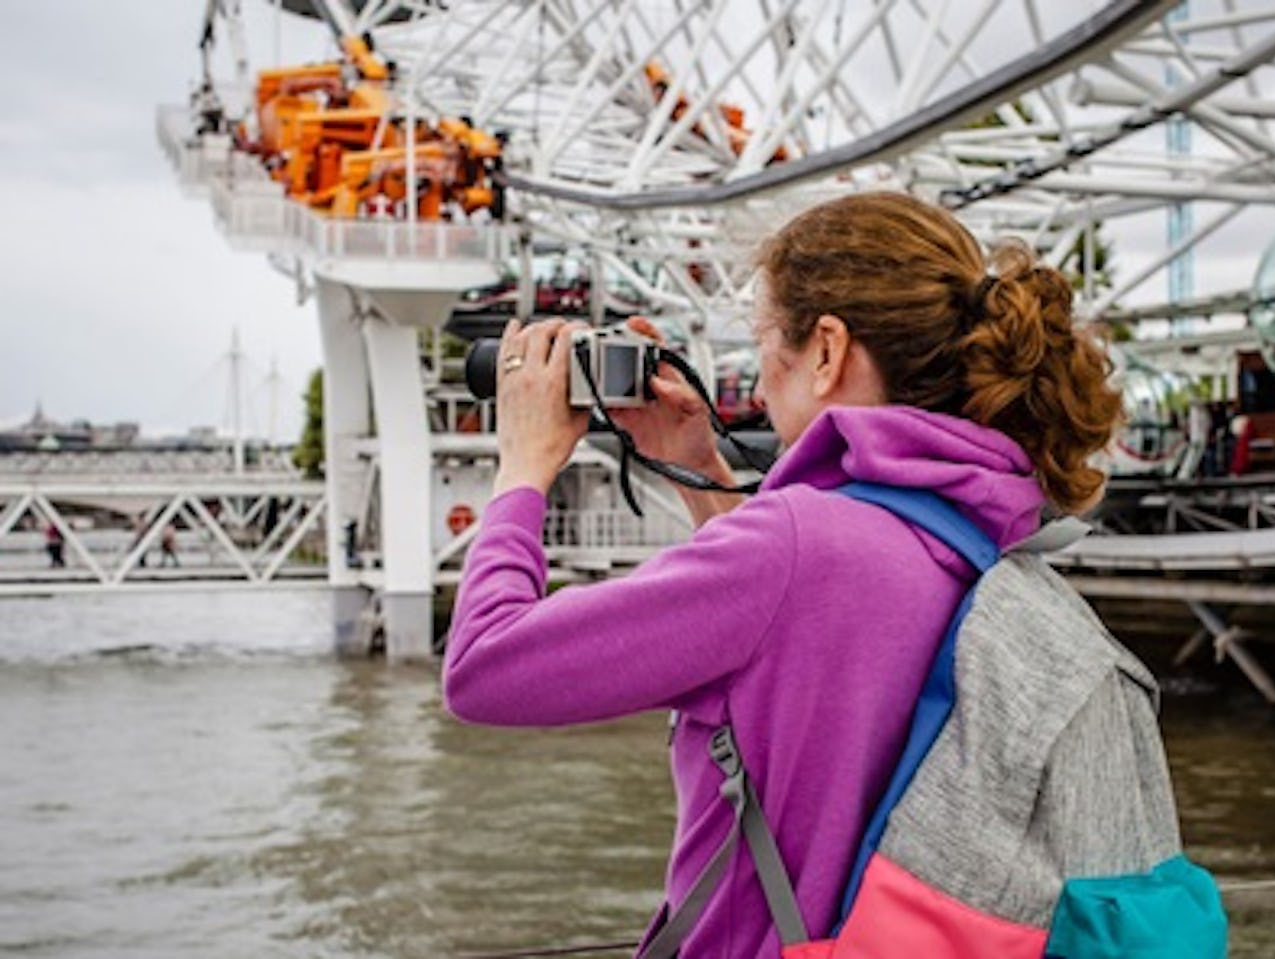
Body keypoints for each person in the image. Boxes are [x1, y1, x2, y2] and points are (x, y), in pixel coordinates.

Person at [444, 194, 1154, 957]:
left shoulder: (792, 545)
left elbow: (483, 667)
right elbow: (788, 650)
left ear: (827, 349)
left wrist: (522, 465)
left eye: (763, 345)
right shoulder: (988, 531)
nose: (753, 389)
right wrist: (697, 468)